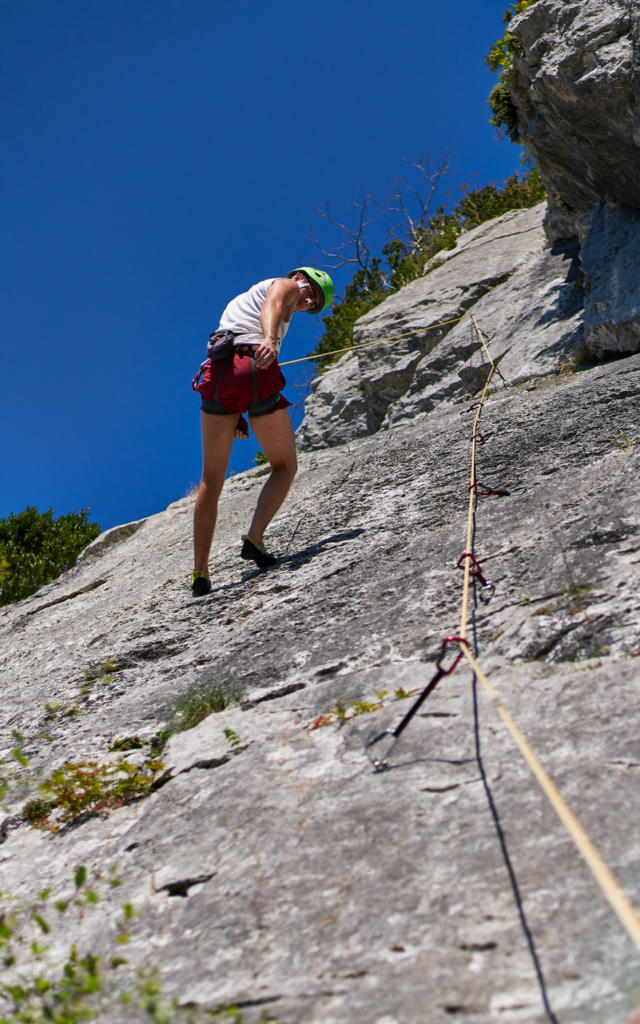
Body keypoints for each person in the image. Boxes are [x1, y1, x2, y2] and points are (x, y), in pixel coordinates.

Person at [190, 267, 334, 597]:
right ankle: (254, 539)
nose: (308, 300)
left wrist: (237, 408)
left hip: (218, 374)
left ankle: (200, 572)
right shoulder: (284, 285)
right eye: (311, 292)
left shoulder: (242, 302)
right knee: (285, 466)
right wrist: (269, 339)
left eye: (313, 303)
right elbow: (273, 303)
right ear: (300, 277)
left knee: (211, 481)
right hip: (254, 364)